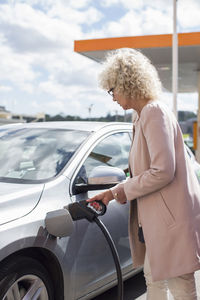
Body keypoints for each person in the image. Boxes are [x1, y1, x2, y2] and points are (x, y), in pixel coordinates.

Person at [87, 48, 200, 300]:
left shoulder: (153, 112)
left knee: (180, 288)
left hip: (169, 221)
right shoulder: (142, 116)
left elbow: (162, 171)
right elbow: (150, 167)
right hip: (158, 221)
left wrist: (117, 191)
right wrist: (115, 189)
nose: (113, 97)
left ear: (126, 84)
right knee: (154, 280)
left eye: (112, 89)